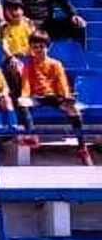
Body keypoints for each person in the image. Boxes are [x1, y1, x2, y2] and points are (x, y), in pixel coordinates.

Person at [17, 32, 90, 163]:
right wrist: (24, 96)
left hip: (54, 96)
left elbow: (62, 83)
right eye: (35, 47)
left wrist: (66, 97)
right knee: (22, 102)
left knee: (74, 110)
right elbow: (26, 84)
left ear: (47, 47)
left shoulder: (56, 64)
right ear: (31, 48)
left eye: (41, 46)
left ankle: (82, 147)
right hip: (37, 97)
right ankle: (32, 135)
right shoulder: (28, 65)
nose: (38, 49)